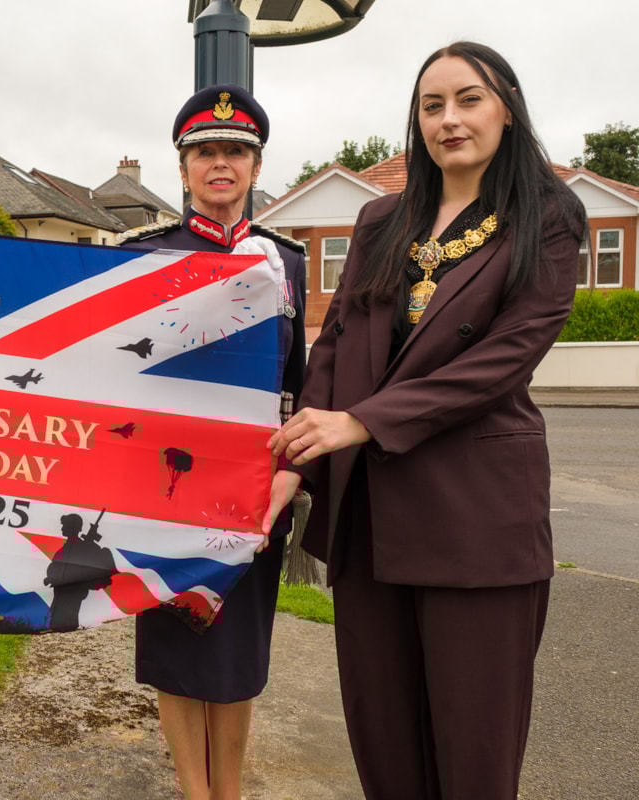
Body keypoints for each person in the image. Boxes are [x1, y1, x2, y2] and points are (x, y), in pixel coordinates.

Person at [264, 42, 585, 799]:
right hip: (369, 524)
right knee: (385, 746)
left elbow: (502, 359)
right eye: (431, 104)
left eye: (468, 99)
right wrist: (295, 463)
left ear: (506, 106)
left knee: (472, 756)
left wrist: (365, 422)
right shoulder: (381, 220)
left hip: (475, 523)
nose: (449, 119)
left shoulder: (547, 217)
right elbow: (336, 346)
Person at [120, 84, 307, 800]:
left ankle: (227, 791)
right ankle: (193, 792)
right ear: (184, 169)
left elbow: (301, 378)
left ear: (255, 169)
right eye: (206, 153)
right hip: (166, 489)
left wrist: (293, 473)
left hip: (253, 492)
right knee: (175, 652)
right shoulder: (145, 256)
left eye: (235, 152)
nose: (220, 165)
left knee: (236, 655)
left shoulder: (284, 264)